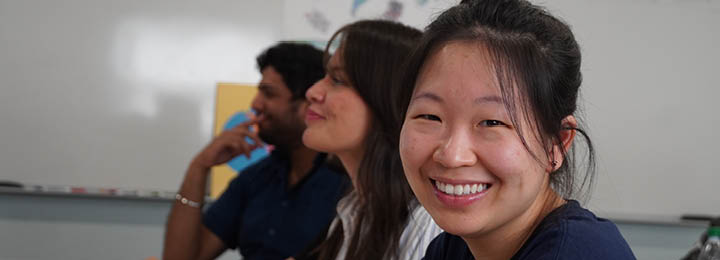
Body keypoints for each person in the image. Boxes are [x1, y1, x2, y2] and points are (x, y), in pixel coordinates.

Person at [395, 0, 636, 259]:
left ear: (556, 143)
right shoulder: (453, 248)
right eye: (430, 116)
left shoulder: (576, 253)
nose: (453, 155)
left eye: (492, 122)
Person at [163, 42, 349, 260]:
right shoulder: (257, 178)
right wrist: (200, 167)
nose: (255, 104)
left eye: (268, 94)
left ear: (308, 103)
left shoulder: (348, 183)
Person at [298, 20, 442, 260]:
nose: (313, 91)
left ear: (387, 99)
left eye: (338, 80)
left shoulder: (427, 225)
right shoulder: (355, 210)